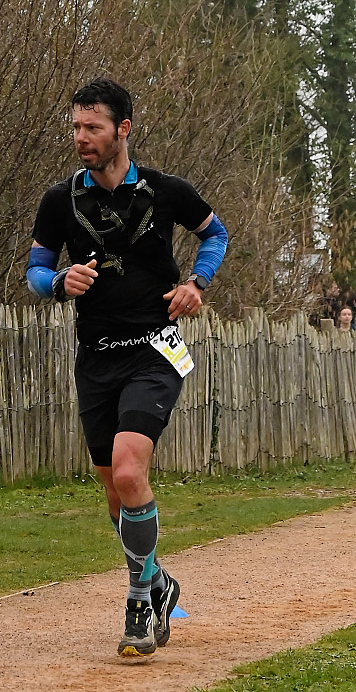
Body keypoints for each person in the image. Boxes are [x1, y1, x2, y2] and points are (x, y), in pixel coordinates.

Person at [27, 77, 228, 658]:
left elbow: (215, 234)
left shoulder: (167, 191)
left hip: (155, 350)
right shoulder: (60, 201)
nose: (81, 137)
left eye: (92, 127)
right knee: (115, 492)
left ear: (124, 130)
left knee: (129, 469)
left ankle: (139, 603)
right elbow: (36, 271)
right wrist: (59, 282)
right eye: (75, 127)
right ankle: (159, 580)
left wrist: (197, 283)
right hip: (96, 358)